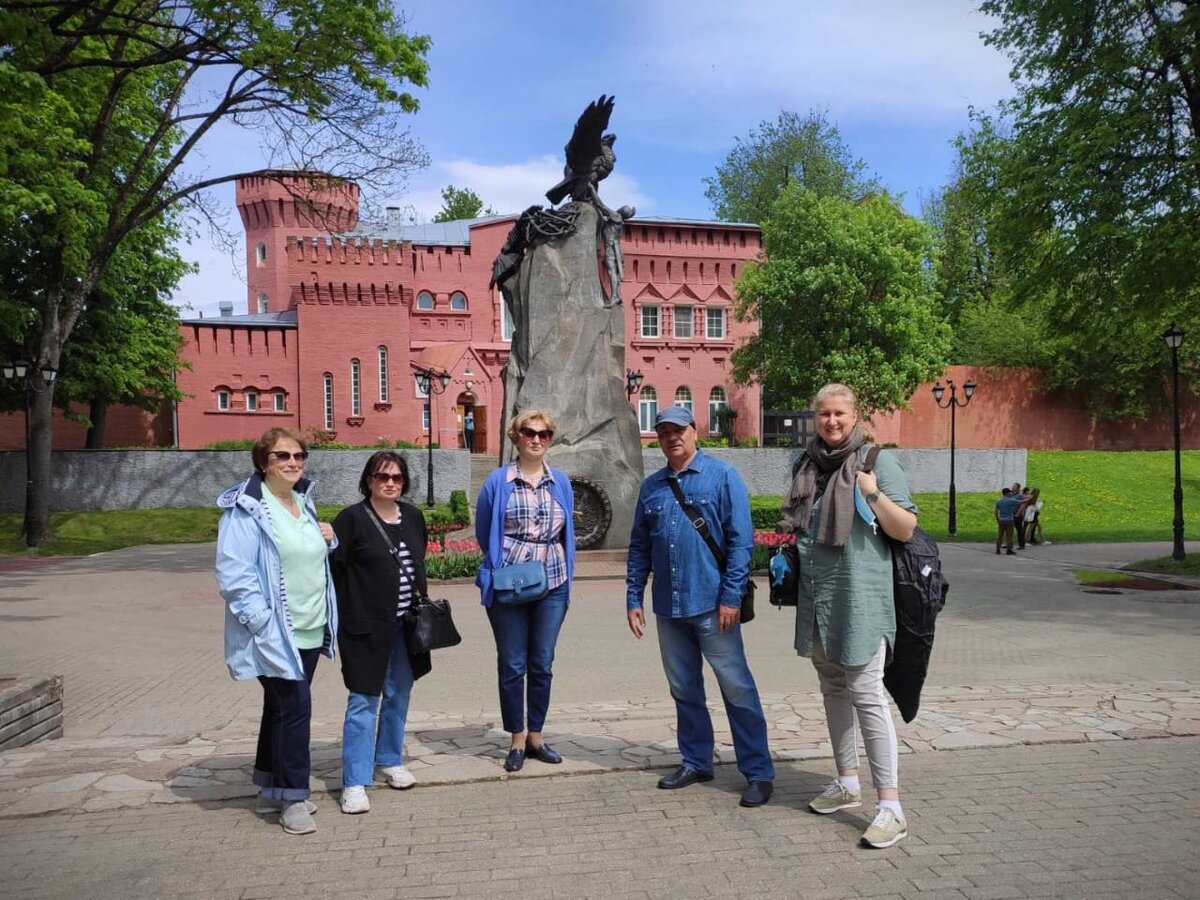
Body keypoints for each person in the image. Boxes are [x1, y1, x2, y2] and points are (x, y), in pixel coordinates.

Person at [780, 383, 918, 848]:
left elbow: (907, 528)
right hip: (819, 602)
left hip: (861, 603)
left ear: (855, 416)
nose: (832, 421)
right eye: (824, 414)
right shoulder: (807, 466)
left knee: (866, 693)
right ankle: (846, 781)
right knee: (832, 688)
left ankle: (891, 807)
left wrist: (874, 496)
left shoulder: (877, 462)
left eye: (840, 413)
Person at [626, 405, 775, 808]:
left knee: (737, 688)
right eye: (664, 432)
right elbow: (640, 547)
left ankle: (758, 772)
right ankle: (696, 761)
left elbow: (741, 543)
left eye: (679, 430)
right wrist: (633, 597)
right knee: (684, 689)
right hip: (668, 609)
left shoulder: (723, 477)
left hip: (712, 605)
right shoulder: (652, 487)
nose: (672, 437)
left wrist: (730, 597)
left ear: (695, 431)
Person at [215, 427, 337, 836]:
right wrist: (261, 622)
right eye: (282, 456)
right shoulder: (247, 509)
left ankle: (270, 784)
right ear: (263, 462)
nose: (293, 463)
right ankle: (292, 796)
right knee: (295, 708)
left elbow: (307, 554)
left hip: (309, 625)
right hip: (275, 630)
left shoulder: (303, 502)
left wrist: (329, 539)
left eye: (299, 456)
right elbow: (234, 572)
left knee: (281, 709)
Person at [475, 410, 576, 772]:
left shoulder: (560, 482)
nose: (536, 439)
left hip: (553, 580)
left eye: (544, 434)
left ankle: (536, 735)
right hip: (510, 583)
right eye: (529, 432)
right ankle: (516, 737)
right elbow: (485, 530)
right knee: (513, 663)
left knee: (542, 663)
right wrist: (505, 566)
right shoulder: (497, 482)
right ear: (515, 436)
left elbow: (567, 532)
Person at [331, 452, 432, 815]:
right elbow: (335, 573)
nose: (390, 483)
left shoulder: (413, 517)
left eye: (397, 478)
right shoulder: (351, 520)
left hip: (407, 626)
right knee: (363, 701)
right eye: (382, 476)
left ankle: (389, 758)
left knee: (398, 694)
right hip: (365, 627)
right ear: (369, 480)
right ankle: (355, 780)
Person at [994, 487, 1021, 554]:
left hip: (1001, 520)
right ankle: (1009, 549)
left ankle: (998, 549)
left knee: (1000, 535)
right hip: (1009, 520)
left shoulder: (999, 501)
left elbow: (996, 511)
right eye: (1009, 492)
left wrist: (998, 518)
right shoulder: (1011, 500)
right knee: (1009, 535)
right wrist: (1030, 498)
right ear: (1007, 493)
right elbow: (1021, 502)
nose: (1010, 493)